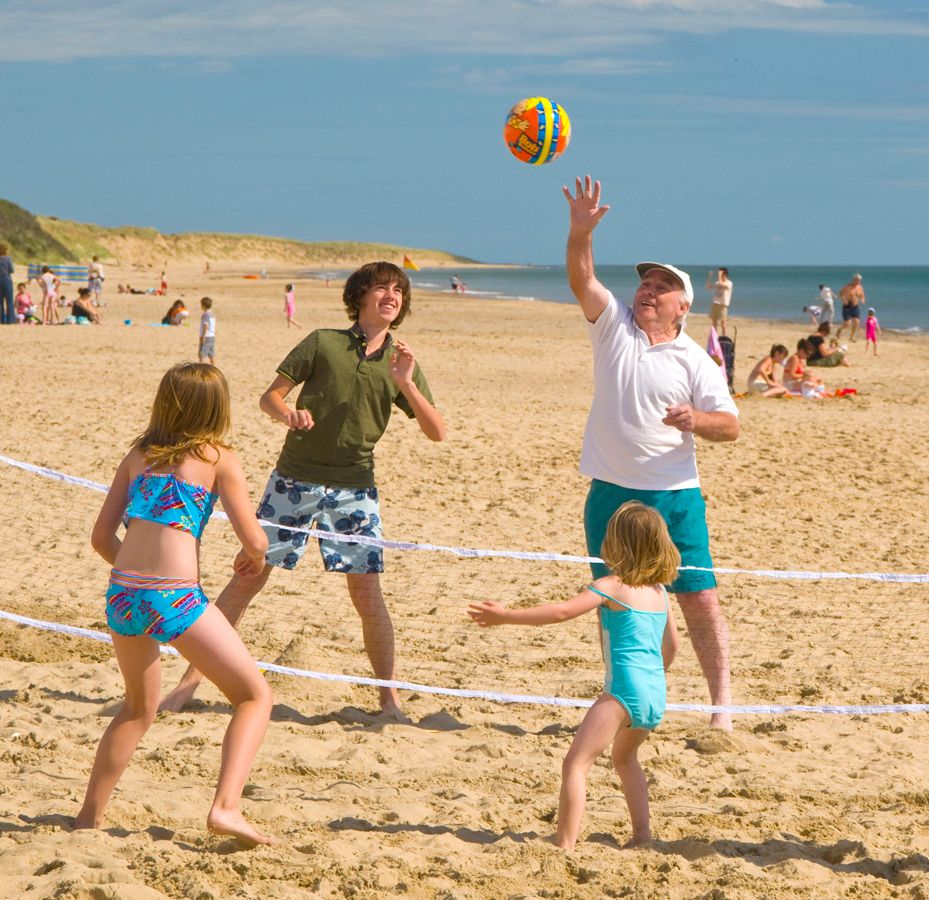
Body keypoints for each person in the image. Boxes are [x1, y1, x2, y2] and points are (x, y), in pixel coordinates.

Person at [159, 261, 447, 718]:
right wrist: (287, 413)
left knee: (367, 595)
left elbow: (437, 431)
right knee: (248, 577)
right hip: (293, 481)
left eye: (398, 290)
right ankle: (188, 684)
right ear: (360, 296)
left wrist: (406, 384)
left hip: (355, 489)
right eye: (381, 288)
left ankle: (389, 701)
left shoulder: (400, 360)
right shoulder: (322, 342)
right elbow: (269, 396)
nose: (391, 296)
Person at [563, 175, 739, 730]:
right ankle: (623, 697)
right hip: (611, 492)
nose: (648, 290)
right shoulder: (612, 326)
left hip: (674, 496)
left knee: (699, 600)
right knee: (613, 604)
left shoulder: (696, 360)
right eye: (645, 283)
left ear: (682, 305)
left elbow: (731, 426)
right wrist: (581, 232)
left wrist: (698, 419)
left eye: (662, 286)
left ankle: (721, 709)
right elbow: (583, 276)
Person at [75, 362, 274, 846]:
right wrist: (254, 554)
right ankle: (226, 807)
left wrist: (137, 576)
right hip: (174, 595)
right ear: (217, 408)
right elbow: (255, 538)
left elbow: (101, 536)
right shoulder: (218, 456)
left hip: (123, 593)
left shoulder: (138, 455)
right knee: (253, 697)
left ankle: (86, 820)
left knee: (137, 710)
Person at [469, 501, 680, 849]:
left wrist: (506, 616)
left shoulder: (612, 585)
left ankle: (564, 844)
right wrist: (651, 678)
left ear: (618, 545)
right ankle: (642, 836)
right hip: (654, 693)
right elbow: (671, 648)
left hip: (622, 692)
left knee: (576, 764)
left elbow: (561, 612)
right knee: (626, 759)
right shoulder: (660, 593)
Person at [836, 273, 865, 342]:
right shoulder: (847, 286)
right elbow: (840, 294)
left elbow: (862, 295)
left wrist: (862, 299)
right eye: (857, 280)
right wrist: (843, 299)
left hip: (855, 306)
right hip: (847, 306)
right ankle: (839, 329)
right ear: (853, 280)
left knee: (856, 322)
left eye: (859, 280)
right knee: (847, 324)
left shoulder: (860, 287)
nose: (858, 281)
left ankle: (851, 338)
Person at [706, 268, 732, 337]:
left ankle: (724, 338)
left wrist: (719, 275)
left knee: (723, 324)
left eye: (721, 274)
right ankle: (715, 339)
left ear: (725, 274)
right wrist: (709, 277)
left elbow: (722, 284)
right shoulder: (717, 282)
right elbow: (708, 287)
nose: (720, 275)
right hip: (715, 303)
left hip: (722, 305)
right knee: (714, 324)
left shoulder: (729, 283)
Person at [198, 296, 217, 364]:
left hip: (206, 336)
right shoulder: (212, 314)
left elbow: (206, 326)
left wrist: (203, 337)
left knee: (202, 354)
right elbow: (213, 325)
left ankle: (200, 369)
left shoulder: (205, 315)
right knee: (211, 354)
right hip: (212, 336)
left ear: (203, 305)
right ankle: (214, 368)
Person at [0, 244, 14, 325]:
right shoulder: (8, 258)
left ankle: (1, 320)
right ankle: (10, 320)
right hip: (7, 280)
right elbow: (12, 270)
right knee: (9, 302)